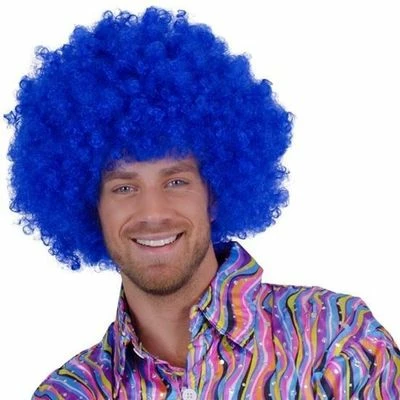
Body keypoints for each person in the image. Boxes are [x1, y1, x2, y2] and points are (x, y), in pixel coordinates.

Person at [5, 7, 399, 399]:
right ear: (92, 208)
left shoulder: (336, 341)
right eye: (124, 188)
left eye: (176, 181)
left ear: (214, 194)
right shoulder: (71, 393)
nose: (153, 212)